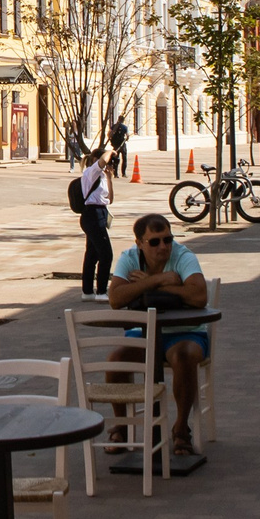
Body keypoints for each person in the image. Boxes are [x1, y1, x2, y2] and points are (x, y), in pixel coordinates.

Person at [107, 213, 209, 458]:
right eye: (154, 242)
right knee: (116, 361)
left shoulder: (183, 256)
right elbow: (115, 299)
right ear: (140, 243)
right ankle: (123, 425)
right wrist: (159, 280)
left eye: (167, 239)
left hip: (186, 332)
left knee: (184, 357)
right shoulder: (129, 258)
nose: (163, 246)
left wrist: (150, 283)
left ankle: (181, 429)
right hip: (143, 333)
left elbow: (199, 297)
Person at [76, 148, 114, 297]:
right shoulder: (91, 172)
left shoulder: (103, 176)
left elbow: (110, 199)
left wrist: (110, 179)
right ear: (95, 160)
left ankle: (87, 292)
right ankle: (102, 291)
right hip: (92, 214)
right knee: (106, 254)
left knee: (92, 254)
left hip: (101, 212)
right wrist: (111, 151)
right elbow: (103, 160)